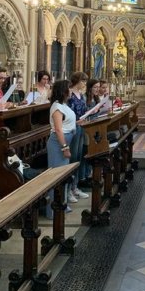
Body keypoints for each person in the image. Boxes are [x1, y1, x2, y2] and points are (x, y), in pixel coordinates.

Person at [46, 80, 77, 219]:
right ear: (63, 90)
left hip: (66, 140)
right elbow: (58, 129)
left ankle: (62, 204)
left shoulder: (64, 105)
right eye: (69, 88)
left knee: (63, 176)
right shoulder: (56, 106)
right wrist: (64, 147)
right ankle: (52, 210)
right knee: (56, 177)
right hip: (58, 143)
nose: (71, 91)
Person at [67, 72, 90, 203]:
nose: (85, 84)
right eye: (83, 81)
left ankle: (75, 187)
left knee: (79, 156)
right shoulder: (69, 94)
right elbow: (68, 113)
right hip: (73, 128)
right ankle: (69, 189)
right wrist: (76, 121)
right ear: (77, 81)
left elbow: (83, 109)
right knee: (73, 157)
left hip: (81, 127)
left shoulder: (81, 94)